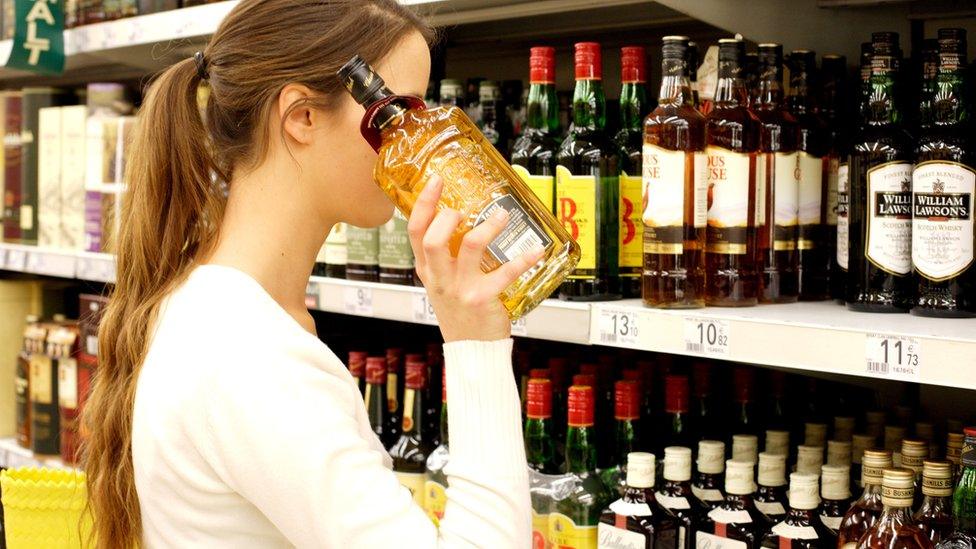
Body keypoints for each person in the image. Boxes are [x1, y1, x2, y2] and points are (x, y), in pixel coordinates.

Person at [82, 1, 537, 547]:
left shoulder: (211, 302)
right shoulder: (253, 358)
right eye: (397, 112)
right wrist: (476, 340)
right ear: (301, 116)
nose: (420, 136)